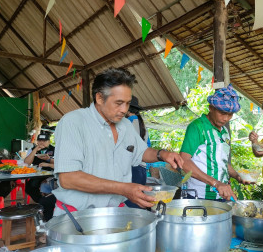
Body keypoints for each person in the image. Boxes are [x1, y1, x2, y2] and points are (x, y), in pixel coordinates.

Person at [52, 67, 183, 215]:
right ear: (100, 98)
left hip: (114, 213)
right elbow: (68, 179)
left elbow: (141, 151)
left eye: (127, 103)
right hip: (78, 216)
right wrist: (123, 189)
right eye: (119, 103)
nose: (124, 110)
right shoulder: (73, 122)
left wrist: (162, 154)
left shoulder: (125, 125)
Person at [180, 84, 249, 201]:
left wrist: (238, 176)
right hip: (199, 196)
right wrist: (216, 183)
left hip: (221, 195)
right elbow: (184, 161)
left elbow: (220, 162)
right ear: (211, 108)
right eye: (222, 113)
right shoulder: (197, 127)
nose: (226, 119)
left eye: (230, 114)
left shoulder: (224, 131)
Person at [125, 96, 151, 208]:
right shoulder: (142, 125)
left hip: (132, 168)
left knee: (130, 201)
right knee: (138, 200)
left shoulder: (126, 124)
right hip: (142, 168)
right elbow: (148, 147)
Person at [24, 133, 55, 203]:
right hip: (37, 174)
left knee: (33, 185)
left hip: (51, 174)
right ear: (37, 141)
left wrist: (48, 159)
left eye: (44, 141)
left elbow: (59, 163)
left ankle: (43, 202)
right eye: (40, 141)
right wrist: (35, 150)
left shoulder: (54, 149)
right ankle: (42, 202)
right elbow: (26, 163)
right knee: (29, 187)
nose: (41, 143)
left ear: (49, 142)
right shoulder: (32, 150)